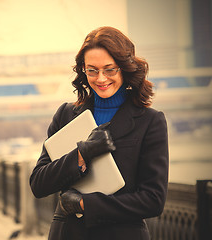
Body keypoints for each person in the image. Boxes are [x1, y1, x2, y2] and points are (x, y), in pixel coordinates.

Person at [29, 26, 169, 240]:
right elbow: (39, 184)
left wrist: (85, 204)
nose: (101, 78)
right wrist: (80, 155)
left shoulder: (150, 121)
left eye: (109, 69)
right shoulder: (66, 115)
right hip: (68, 234)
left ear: (124, 67)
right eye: (92, 70)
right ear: (83, 71)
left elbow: (153, 200)